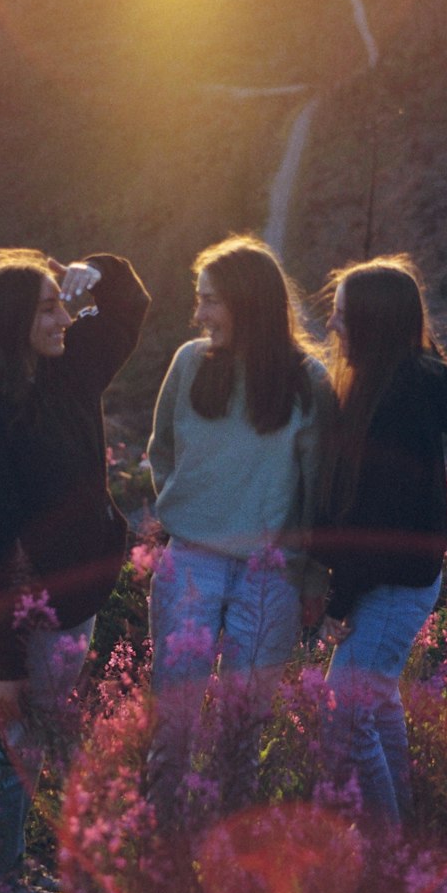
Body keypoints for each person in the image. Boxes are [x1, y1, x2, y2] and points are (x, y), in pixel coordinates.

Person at [0, 245, 149, 893]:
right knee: (15, 743)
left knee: (28, 740)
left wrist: (99, 271)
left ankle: (2, 875)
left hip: (77, 598)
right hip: (34, 613)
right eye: (51, 308)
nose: (67, 318)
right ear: (10, 322)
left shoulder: (67, 372)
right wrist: (4, 658)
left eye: (65, 304)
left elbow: (128, 308)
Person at [146, 235, 330, 819]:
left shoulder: (307, 380)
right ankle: (162, 842)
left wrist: (306, 575)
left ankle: (232, 847)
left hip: (267, 573)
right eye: (199, 300)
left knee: (242, 728)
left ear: (248, 302)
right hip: (190, 562)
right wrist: (190, 511)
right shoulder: (188, 362)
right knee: (173, 720)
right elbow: (162, 451)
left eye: (211, 301)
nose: (199, 314)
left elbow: (315, 490)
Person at [312, 255, 447, 828]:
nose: (331, 327)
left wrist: (337, 604)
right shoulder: (404, 382)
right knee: (376, 701)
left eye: (340, 317)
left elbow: (373, 522)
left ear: (373, 325)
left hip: (389, 585)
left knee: (342, 715)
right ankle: (407, 825)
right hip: (405, 579)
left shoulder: (394, 403)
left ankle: (389, 854)